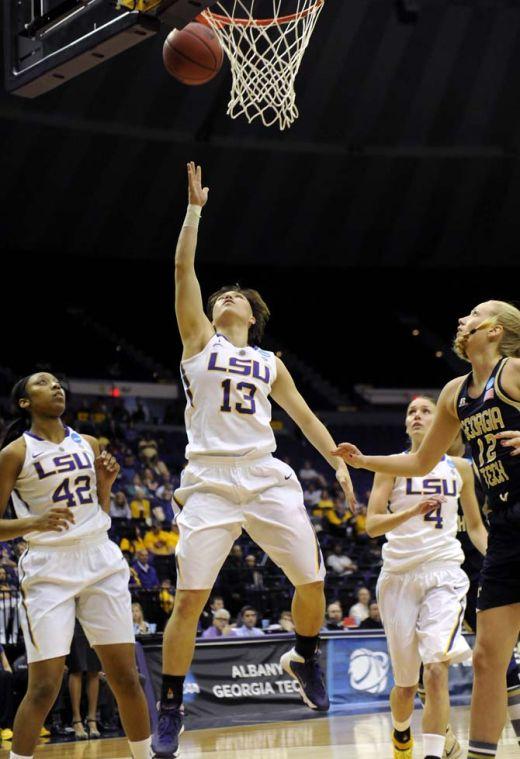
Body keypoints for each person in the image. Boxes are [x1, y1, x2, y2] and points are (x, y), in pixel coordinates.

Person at [152, 163, 356, 759]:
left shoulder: (270, 362)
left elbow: (305, 417)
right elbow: (183, 269)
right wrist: (194, 211)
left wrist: (337, 459)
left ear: (252, 315)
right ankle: (172, 706)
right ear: (212, 315)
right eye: (221, 297)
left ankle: (305, 657)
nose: (226, 297)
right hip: (210, 480)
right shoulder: (198, 342)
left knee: (313, 581)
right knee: (190, 598)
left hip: (265, 474)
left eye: (235, 295)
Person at [334, 301, 520, 759]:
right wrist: (362, 461)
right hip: (506, 531)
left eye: (473, 314)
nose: (461, 320)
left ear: (493, 330)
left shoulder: (514, 371)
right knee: (485, 659)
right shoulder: (455, 393)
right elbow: (418, 461)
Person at [0, 372, 152, 759]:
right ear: (24, 402)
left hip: (99, 555)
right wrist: (34, 522)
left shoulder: (89, 442)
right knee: (44, 687)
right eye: (43, 382)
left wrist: (105, 486)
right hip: (49, 566)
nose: (56, 387)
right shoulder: (15, 453)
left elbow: (97, 511)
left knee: (126, 677)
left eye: (58, 383)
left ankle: (147, 755)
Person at [362, 395, 487, 759]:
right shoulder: (392, 466)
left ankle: (435, 753)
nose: (417, 416)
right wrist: (412, 511)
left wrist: (502, 559)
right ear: (406, 425)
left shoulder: (461, 469)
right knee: (404, 685)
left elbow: (476, 528)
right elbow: (371, 525)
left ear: (440, 422)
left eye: (425, 410)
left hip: (444, 571)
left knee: (436, 668)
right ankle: (402, 737)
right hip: (399, 576)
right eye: (411, 412)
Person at [67, 621, 102, 740]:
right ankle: (76, 720)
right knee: (77, 668)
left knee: (94, 669)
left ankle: (92, 719)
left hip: (93, 619)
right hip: (74, 619)